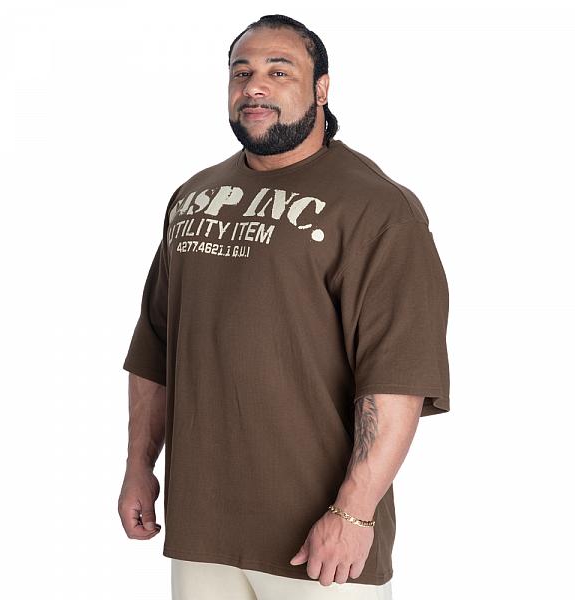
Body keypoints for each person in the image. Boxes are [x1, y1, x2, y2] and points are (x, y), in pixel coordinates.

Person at [118, 14, 450, 600]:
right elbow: (156, 345)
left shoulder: (377, 209)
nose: (254, 87)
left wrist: (354, 512)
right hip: (201, 529)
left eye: (279, 71)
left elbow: (397, 376)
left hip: (321, 546)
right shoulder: (194, 197)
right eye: (241, 72)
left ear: (321, 89)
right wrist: (139, 466)